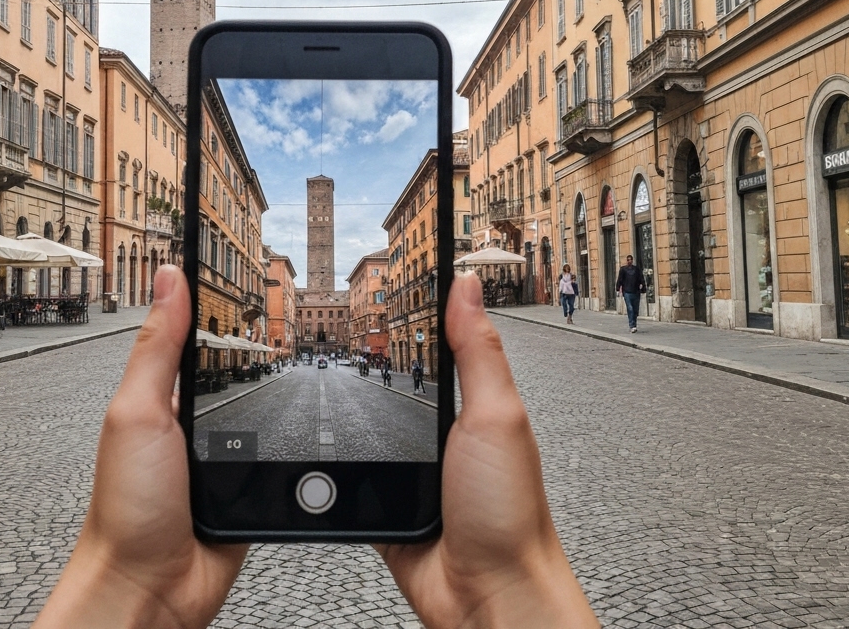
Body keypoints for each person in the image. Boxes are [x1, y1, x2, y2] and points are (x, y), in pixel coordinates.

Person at [32, 265, 598, 628]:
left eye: (323, 310)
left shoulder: (342, 320)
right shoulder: (300, 315)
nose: (320, 316)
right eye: (315, 309)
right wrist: (509, 585)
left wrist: (122, 580)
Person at [615, 255, 647, 332]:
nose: (629, 261)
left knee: (635, 310)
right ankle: (631, 325)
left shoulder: (637, 269)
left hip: (636, 292)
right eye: (628, 260)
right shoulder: (623, 270)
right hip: (627, 292)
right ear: (627, 261)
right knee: (630, 308)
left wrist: (643, 288)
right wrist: (617, 289)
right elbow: (620, 279)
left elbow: (641, 279)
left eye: (631, 260)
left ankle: (634, 324)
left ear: (632, 260)